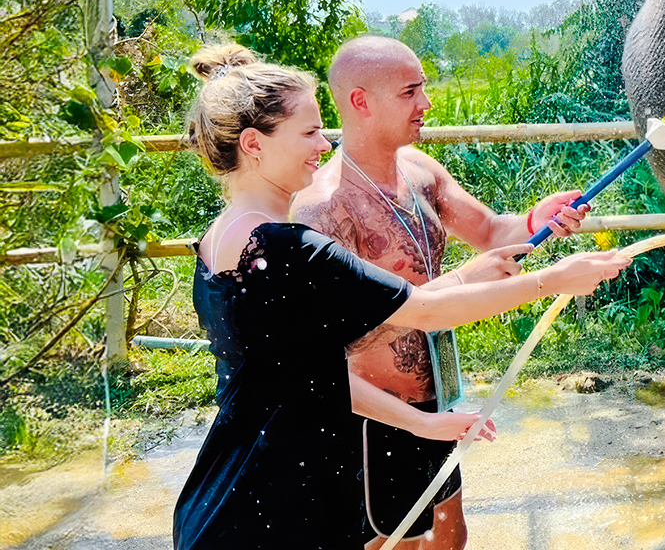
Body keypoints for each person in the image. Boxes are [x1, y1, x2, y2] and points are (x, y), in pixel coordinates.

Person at [172, 44, 630, 550]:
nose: (322, 144)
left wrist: (422, 422)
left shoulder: (218, 242)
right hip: (280, 505)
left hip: (235, 490)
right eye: (307, 133)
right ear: (255, 145)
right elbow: (421, 311)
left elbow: (309, 377)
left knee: (446, 537)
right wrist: (553, 280)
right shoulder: (293, 239)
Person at [288, 34, 589, 549]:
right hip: (375, 418)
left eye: (423, 89)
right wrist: (463, 284)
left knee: (451, 539)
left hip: (439, 399)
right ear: (361, 101)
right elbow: (328, 346)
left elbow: (494, 233)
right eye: (410, 92)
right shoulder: (322, 208)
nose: (426, 104)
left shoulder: (421, 171)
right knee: (394, 543)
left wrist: (539, 218)